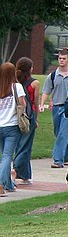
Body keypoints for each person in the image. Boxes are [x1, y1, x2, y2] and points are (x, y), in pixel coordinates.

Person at [40, 48, 68, 168]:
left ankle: (58, 160)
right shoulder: (52, 76)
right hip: (56, 107)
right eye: (60, 58)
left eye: (64, 59)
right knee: (58, 133)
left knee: (63, 133)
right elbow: (46, 91)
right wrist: (42, 104)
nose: (61, 61)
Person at [12, 57, 41, 186]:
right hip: (28, 116)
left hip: (15, 116)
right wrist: (36, 119)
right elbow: (35, 102)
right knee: (26, 146)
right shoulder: (34, 83)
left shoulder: (14, 82)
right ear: (30, 69)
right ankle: (15, 169)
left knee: (20, 144)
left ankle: (25, 176)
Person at [0, 62, 28, 196]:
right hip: (12, 126)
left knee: (3, 156)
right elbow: (23, 104)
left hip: (0, 126)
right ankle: (1, 184)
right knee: (7, 156)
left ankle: (8, 184)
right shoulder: (17, 87)